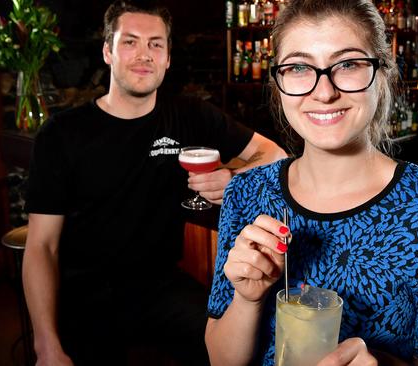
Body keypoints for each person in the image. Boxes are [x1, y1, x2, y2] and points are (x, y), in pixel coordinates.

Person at [205, 0, 418, 365]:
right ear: (278, 83)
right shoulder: (246, 194)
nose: (323, 92)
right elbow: (221, 360)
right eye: (300, 67)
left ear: (382, 73)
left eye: (349, 64)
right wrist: (248, 299)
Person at [21, 1, 287, 365]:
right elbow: (42, 247)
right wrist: (46, 345)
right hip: (82, 294)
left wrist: (234, 179)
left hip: (160, 285)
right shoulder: (62, 134)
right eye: (129, 42)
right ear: (107, 52)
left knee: (238, 348)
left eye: (155, 44)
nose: (143, 54)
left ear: (167, 58)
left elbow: (274, 155)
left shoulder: (191, 114)